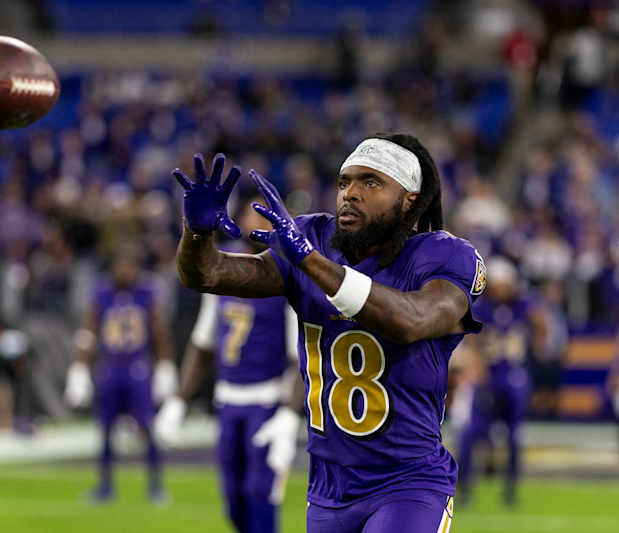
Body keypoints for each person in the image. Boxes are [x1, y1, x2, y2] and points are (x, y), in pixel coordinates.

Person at [172, 133, 485, 533]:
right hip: (327, 488)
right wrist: (196, 234)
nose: (350, 194)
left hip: (407, 481)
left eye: (371, 182)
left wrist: (311, 262)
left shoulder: (444, 255)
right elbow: (209, 274)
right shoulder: (315, 239)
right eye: (344, 182)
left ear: (410, 199)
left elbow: (411, 320)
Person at [154, 200, 303, 533]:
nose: (258, 220)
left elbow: (302, 354)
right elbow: (202, 343)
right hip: (228, 400)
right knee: (234, 500)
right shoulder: (222, 265)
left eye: (266, 213)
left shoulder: (288, 271)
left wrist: (289, 414)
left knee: (260, 495)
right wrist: (178, 400)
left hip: (266, 401)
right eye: (254, 211)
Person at [64, 245, 177, 503]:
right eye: (121, 265)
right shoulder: (101, 292)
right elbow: (88, 331)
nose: (125, 271)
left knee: (148, 426)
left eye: (129, 265)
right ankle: (105, 486)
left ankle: (156, 486)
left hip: (137, 368)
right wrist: (79, 368)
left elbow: (160, 333)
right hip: (110, 366)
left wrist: (166, 365)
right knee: (104, 428)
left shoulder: (147, 292)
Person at [455, 256, 546, 507]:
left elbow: (541, 322)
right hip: (489, 377)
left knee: (514, 436)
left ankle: (511, 489)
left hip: (514, 377)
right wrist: (478, 368)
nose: (503, 288)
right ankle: (465, 487)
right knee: (472, 433)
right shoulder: (482, 308)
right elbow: (471, 341)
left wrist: (538, 347)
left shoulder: (523, 304)